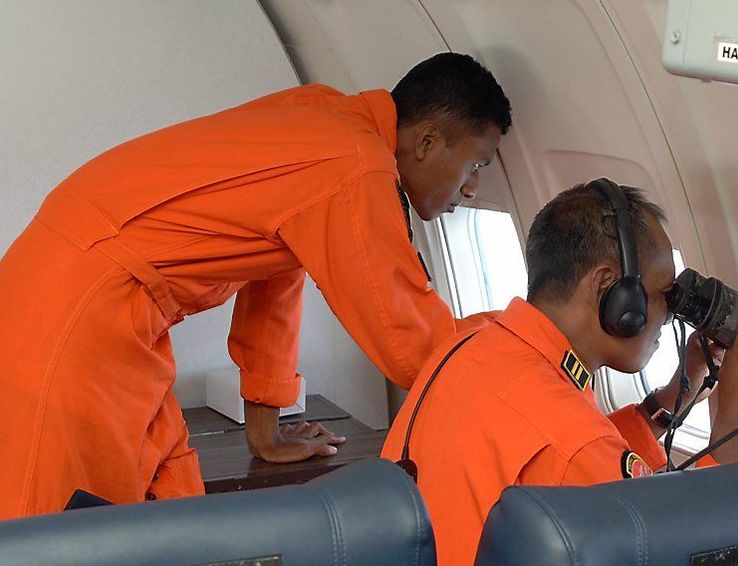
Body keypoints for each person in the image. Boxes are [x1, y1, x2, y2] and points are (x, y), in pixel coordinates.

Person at [0, 52, 511, 519]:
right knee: (60, 543)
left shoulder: (324, 115)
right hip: (74, 315)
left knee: (168, 499)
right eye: (477, 165)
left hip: (77, 287)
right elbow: (415, 348)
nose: (471, 187)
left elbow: (279, 273)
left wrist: (265, 429)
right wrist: (521, 352)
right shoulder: (354, 165)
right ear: (425, 141)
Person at [381, 180, 738, 566]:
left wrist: (676, 394)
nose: (668, 316)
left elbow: (572, 455)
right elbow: (690, 562)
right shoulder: (567, 438)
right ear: (612, 291)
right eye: (661, 295)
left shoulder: (477, 339)